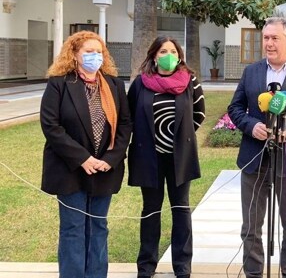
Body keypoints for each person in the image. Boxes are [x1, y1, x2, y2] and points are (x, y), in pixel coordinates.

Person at [227, 17, 286, 278]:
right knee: (251, 225)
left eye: (274, 38)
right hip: (254, 159)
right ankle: (253, 273)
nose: (269, 43)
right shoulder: (252, 72)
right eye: (266, 38)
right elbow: (235, 108)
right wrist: (250, 125)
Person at [40, 31, 132, 278]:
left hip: (104, 168)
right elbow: (51, 126)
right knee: (73, 228)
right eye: (88, 52)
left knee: (99, 226)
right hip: (70, 169)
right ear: (74, 54)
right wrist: (82, 158)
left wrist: (110, 159)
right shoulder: (59, 83)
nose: (95, 56)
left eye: (99, 52)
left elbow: (125, 125)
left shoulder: (114, 84)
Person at [127, 36, 205, 278]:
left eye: (172, 51)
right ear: (153, 55)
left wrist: (181, 138)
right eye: (163, 51)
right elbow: (129, 116)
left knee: (181, 208)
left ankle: (182, 265)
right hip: (148, 157)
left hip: (179, 157)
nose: (168, 55)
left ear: (179, 55)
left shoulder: (190, 82)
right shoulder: (140, 83)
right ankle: (146, 265)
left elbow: (199, 114)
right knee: (151, 209)